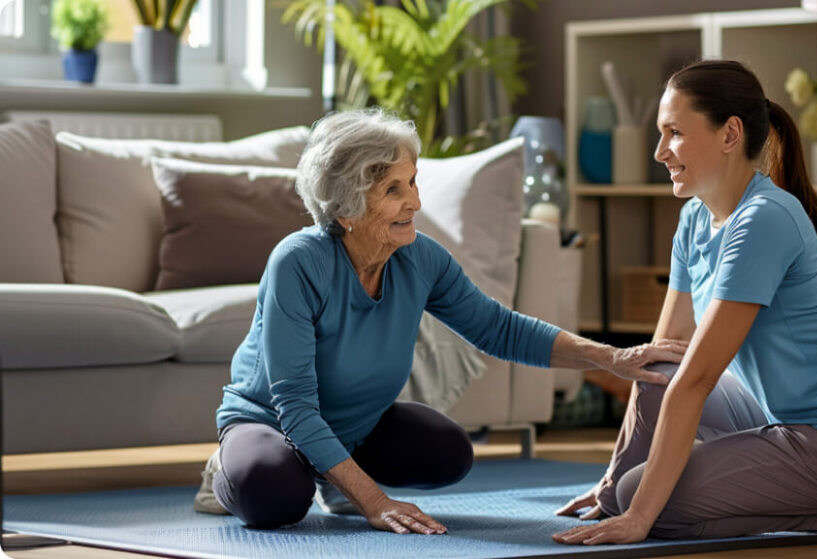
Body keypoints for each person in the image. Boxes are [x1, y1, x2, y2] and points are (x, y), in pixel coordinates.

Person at [191, 108, 688, 534]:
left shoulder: (419, 258)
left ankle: (332, 474)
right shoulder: (298, 263)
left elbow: (500, 329)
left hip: (357, 428)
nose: (415, 202)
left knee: (448, 453)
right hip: (273, 422)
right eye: (392, 189)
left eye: (412, 182)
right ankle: (225, 472)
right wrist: (375, 502)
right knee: (274, 496)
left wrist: (616, 357)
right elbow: (295, 407)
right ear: (345, 207)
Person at [552, 60, 817, 545]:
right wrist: (612, 491)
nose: (659, 152)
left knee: (647, 502)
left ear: (730, 134)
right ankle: (814, 495)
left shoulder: (764, 220)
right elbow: (665, 355)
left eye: (674, 132)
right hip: (772, 414)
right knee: (653, 379)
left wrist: (638, 516)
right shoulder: (695, 219)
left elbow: (696, 381)